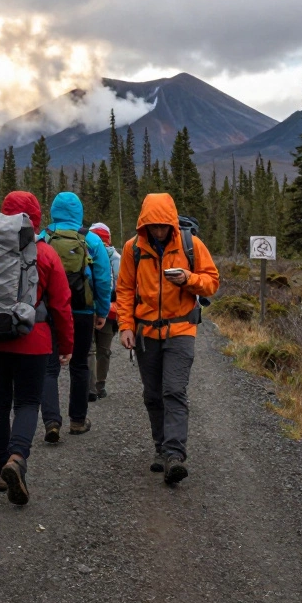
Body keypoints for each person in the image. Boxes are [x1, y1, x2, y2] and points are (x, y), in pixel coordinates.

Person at [115, 193, 219, 485]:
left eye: (163, 225)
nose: (158, 230)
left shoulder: (191, 245)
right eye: (153, 225)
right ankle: (161, 448)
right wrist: (125, 326)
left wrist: (188, 279)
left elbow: (212, 282)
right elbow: (123, 290)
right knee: (152, 394)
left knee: (174, 390)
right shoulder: (132, 249)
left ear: (172, 224)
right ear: (143, 224)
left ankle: (175, 455)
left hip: (181, 330)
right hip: (146, 333)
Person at [0, 191, 74, 506]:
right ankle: (17, 459)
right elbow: (62, 305)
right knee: (26, 402)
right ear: (36, 219)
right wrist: (65, 345)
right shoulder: (45, 253)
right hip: (34, 339)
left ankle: (0, 470)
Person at [41, 192, 111, 439]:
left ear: (54, 211)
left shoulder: (43, 237)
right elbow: (103, 278)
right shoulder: (91, 239)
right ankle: (78, 421)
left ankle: (51, 422)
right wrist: (102, 311)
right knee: (80, 364)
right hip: (82, 310)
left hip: (49, 310)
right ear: (79, 212)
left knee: (49, 367)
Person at [87, 222, 122, 401]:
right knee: (104, 349)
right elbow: (122, 286)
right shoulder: (116, 257)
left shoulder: (84, 251)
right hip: (110, 309)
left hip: (88, 307)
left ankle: (90, 386)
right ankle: (100, 385)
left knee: (90, 349)